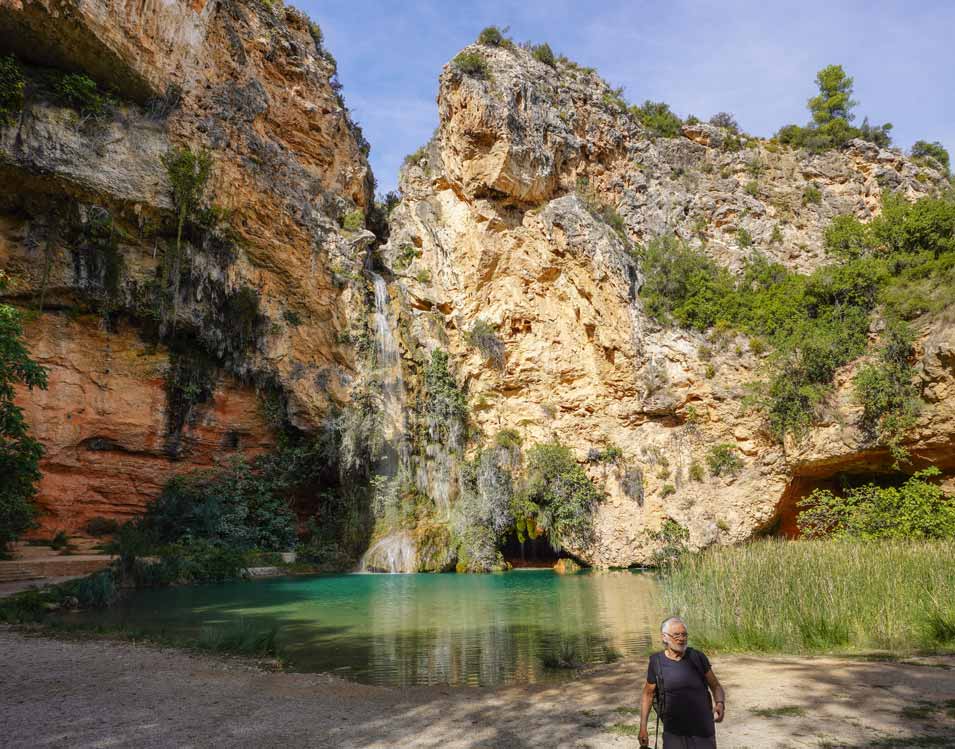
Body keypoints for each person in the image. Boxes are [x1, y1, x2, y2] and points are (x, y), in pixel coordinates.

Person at [639, 616, 725, 748]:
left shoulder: (697, 657)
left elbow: (715, 685)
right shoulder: (656, 662)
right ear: (664, 637)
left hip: (702, 727)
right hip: (674, 730)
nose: (681, 638)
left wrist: (720, 703)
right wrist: (643, 726)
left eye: (684, 634)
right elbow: (648, 694)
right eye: (676, 635)